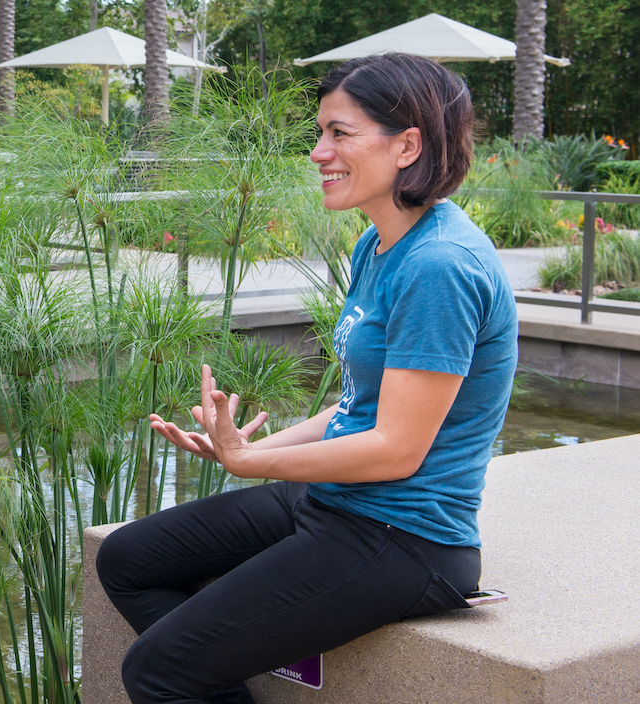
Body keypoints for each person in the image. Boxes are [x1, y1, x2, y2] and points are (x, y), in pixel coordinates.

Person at [96, 53, 518, 704]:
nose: (319, 151)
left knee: (157, 669)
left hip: (404, 538)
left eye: (339, 133)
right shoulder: (378, 244)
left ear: (407, 145)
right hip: (336, 501)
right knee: (127, 561)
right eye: (320, 132)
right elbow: (360, 407)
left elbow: (396, 449)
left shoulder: (440, 266)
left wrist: (250, 465)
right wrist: (255, 450)